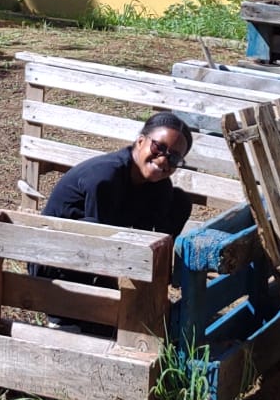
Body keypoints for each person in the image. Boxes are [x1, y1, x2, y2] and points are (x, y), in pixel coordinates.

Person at [35, 113, 195, 333]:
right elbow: (99, 238)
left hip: (97, 254)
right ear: (140, 141)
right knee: (94, 227)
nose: (163, 159)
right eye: (158, 148)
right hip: (55, 263)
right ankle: (64, 315)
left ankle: (138, 300)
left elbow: (149, 235)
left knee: (179, 201)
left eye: (174, 158)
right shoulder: (105, 176)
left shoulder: (158, 185)